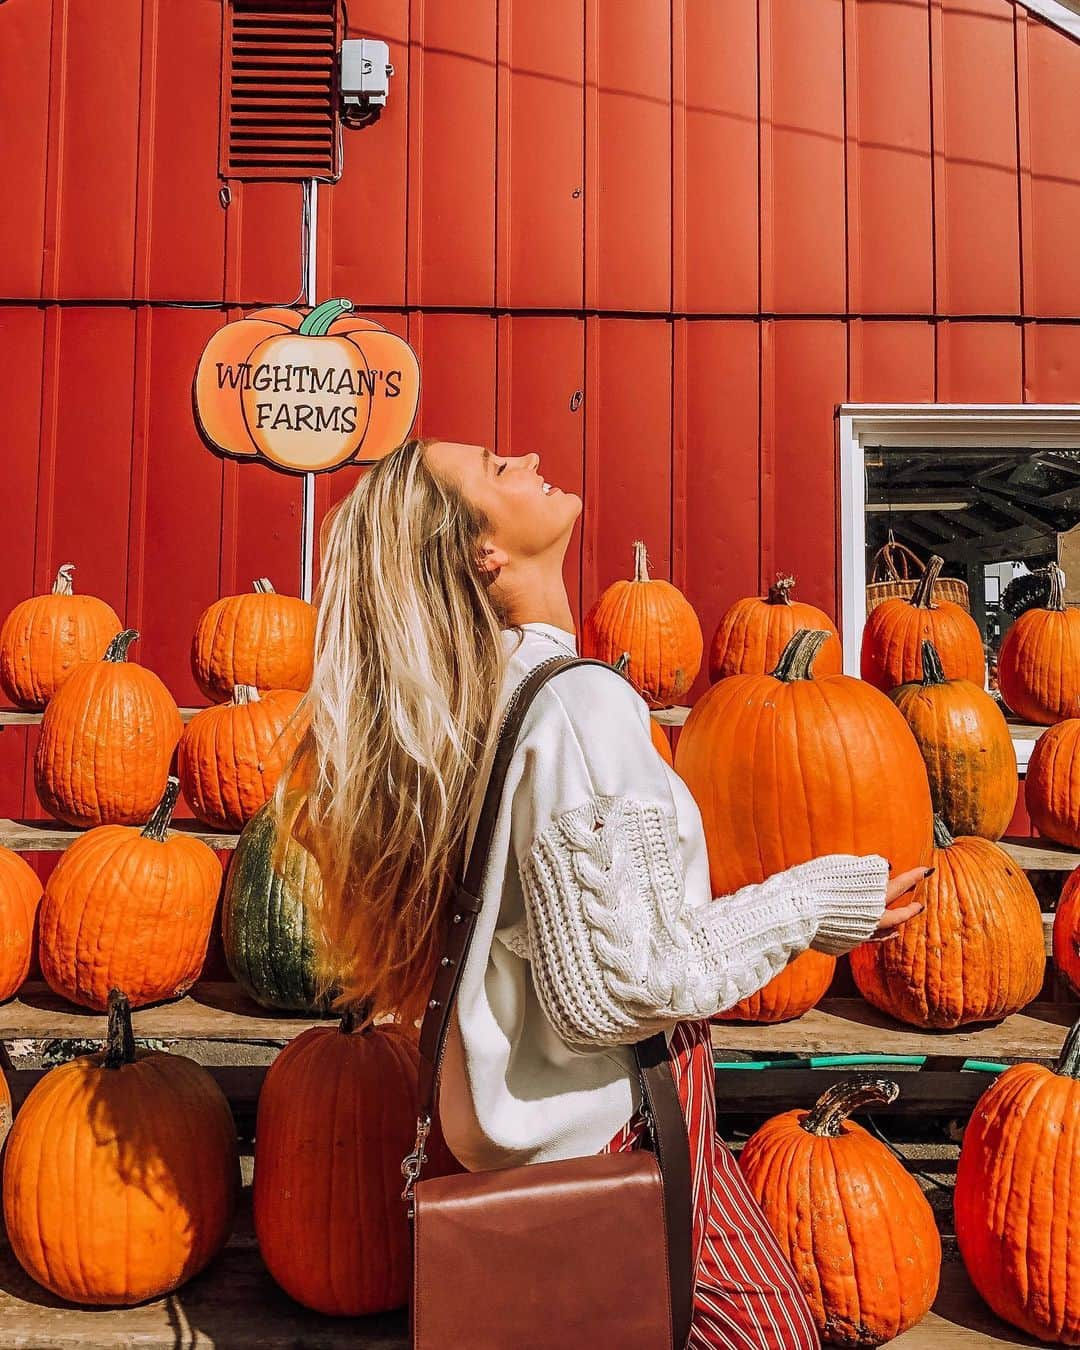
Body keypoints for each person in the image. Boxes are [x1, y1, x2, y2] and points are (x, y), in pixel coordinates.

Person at [285, 436, 929, 1350]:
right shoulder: (577, 704)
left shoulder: (475, 703)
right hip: (620, 1132)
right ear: (483, 552)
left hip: (529, 1142)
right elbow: (628, 983)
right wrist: (817, 905)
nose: (529, 455)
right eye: (497, 469)